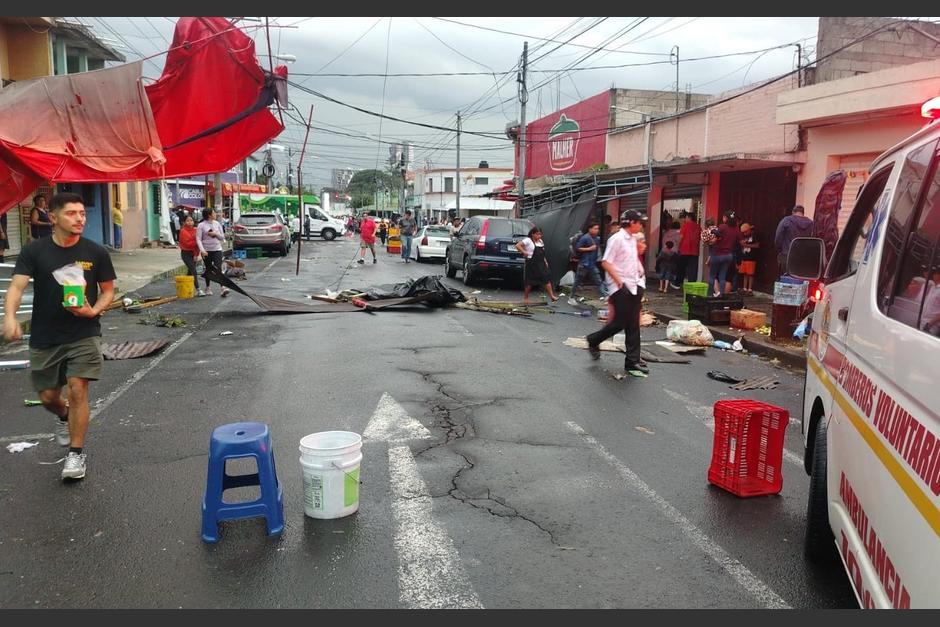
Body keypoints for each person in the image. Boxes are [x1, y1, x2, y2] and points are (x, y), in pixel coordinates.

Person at [3, 192, 116, 481]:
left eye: (82, 213)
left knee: (78, 388)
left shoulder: (96, 252)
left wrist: (94, 312)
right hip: (45, 335)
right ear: (53, 217)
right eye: (72, 213)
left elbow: (108, 291)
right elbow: (16, 288)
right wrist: (10, 317)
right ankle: (63, 415)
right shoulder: (34, 252)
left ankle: (76, 454)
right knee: (49, 396)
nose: (80, 218)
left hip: (83, 333)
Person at [586, 210, 648, 378]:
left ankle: (632, 361)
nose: (641, 225)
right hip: (621, 287)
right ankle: (594, 339)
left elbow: (633, 260)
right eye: (639, 222)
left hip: (634, 285)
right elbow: (606, 262)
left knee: (633, 325)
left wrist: (640, 275)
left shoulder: (632, 240)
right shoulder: (617, 239)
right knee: (620, 323)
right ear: (631, 222)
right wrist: (619, 281)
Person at [516, 226, 559, 304]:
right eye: (537, 234)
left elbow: (542, 253)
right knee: (529, 281)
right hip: (531, 263)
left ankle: (552, 296)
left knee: (546, 278)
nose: (539, 236)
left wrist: (545, 261)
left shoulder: (541, 242)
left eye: (540, 235)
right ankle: (526, 298)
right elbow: (518, 245)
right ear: (533, 234)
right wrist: (524, 252)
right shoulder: (528, 240)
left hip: (541, 263)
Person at [569, 222, 608, 304]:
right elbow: (578, 248)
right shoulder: (585, 238)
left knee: (598, 280)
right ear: (590, 229)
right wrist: (589, 249)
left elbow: (596, 251)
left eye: (597, 228)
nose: (597, 230)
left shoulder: (596, 239)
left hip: (592, 264)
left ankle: (605, 296)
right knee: (577, 281)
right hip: (584, 264)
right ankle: (571, 297)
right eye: (595, 228)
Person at [196, 207, 229, 297]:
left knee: (218, 267)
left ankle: (223, 288)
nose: (215, 214)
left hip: (217, 249)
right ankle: (207, 287)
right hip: (206, 250)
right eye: (214, 213)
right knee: (209, 268)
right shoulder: (201, 225)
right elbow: (198, 239)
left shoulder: (217, 224)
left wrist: (215, 234)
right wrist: (202, 250)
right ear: (209, 215)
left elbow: (222, 237)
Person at [775, 205, 814, 274]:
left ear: (793, 212)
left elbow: (778, 238)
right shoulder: (811, 224)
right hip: (804, 257)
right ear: (803, 213)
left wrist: (780, 249)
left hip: (787, 255)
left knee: (786, 279)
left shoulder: (786, 221)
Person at [708, 211, 738, 297]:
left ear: (725, 218)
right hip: (729, 255)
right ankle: (722, 295)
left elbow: (714, 238)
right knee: (723, 277)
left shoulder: (722, 227)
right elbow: (741, 241)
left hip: (718, 254)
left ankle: (710, 295)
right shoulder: (735, 229)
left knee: (712, 276)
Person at [177, 214, 202, 295]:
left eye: (191, 220)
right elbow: (188, 243)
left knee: (190, 272)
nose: (190, 222)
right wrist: (196, 240)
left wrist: (196, 254)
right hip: (186, 253)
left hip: (194, 253)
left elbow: (198, 244)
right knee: (193, 270)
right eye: (187, 221)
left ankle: (185, 288)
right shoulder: (183, 231)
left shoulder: (196, 230)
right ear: (184, 222)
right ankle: (198, 289)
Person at [677, 211, 701, 284]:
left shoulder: (685, 225)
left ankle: (678, 283)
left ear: (689, 217)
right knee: (693, 270)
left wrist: (678, 246)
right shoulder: (698, 226)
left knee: (681, 267)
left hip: (684, 250)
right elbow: (700, 237)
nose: (685, 219)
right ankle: (692, 284)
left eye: (686, 217)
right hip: (695, 251)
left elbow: (681, 237)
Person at [737, 222, 760, 296]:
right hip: (744, 256)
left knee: (750, 274)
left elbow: (757, 245)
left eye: (745, 232)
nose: (744, 234)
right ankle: (744, 288)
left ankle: (750, 289)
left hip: (751, 257)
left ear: (749, 230)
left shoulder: (755, 236)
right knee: (745, 274)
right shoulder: (744, 236)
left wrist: (745, 245)